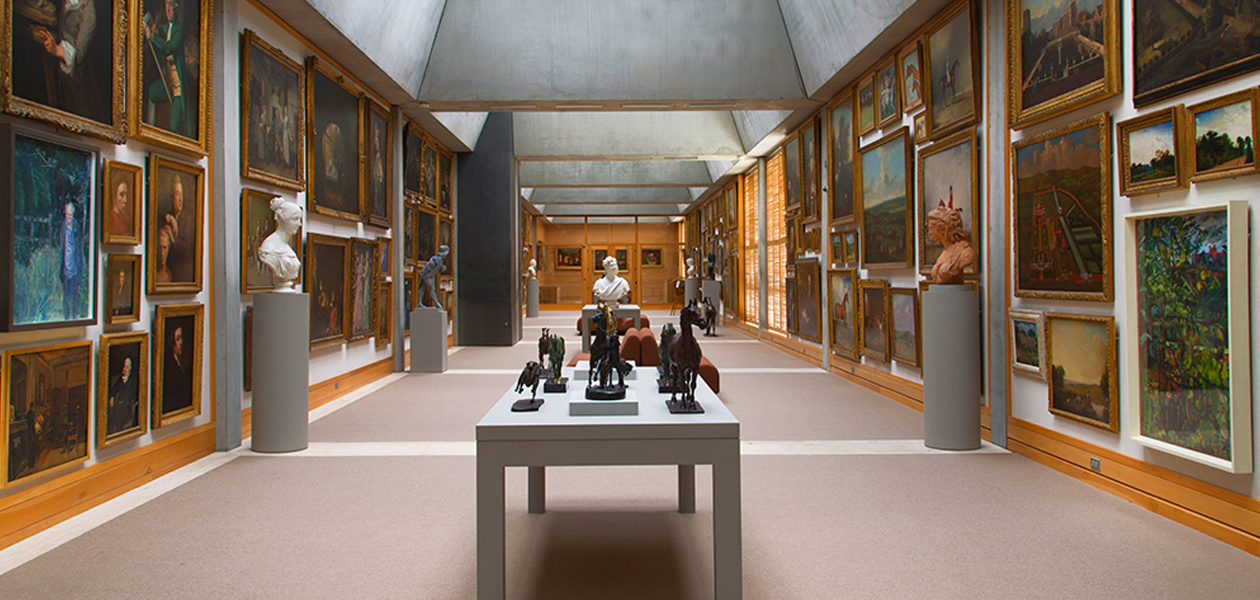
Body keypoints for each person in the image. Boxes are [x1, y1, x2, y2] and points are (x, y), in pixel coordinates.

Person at [34, 0, 101, 121]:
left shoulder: (88, 12)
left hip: (79, 83)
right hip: (63, 75)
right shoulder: (66, 2)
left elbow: (79, 54)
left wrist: (57, 50)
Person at [143, 0, 190, 137]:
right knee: (153, 92)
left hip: (177, 89)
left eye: (171, 5)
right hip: (167, 82)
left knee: (174, 126)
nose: (168, 10)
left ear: (176, 8)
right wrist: (155, 29)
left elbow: (169, 48)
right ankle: (148, 129)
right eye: (166, 5)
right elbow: (162, 29)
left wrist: (152, 37)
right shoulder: (170, 27)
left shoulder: (178, 31)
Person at [926, 190, 976, 285]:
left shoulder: (964, 251)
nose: (930, 232)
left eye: (931, 228)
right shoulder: (944, 253)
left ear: (942, 229)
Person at [257, 198, 302, 290]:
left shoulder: (287, 248)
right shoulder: (269, 247)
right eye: (295, 219)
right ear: (283, 219)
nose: (299, 224)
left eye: (299, 219)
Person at [162, 178, 191, 282]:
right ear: (172, 198)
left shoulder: (187, 218)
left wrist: (173, 239)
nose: (180, 200)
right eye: (177, 195)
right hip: (168, 272)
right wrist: (169, 218)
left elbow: (187, 249)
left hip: (182, 273)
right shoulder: (169, 216)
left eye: (181, 195)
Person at [60, 202, 83, 319]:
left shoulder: (76, 228)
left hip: (74, 270)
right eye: (67, 215)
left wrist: (80, 272)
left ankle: (74, 317)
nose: (69, 217)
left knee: (74, 296)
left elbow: (79, 252)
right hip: (65, 270)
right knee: (66, 297)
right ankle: (66, 319)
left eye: (71, 215)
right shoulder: (63, 228)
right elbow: (61, 249)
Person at [163, 323, 191, 412]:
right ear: (172, 342)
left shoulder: (183, 362)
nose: (181, 342)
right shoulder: (170, 368)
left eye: (181, 338)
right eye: (177, 339)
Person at [108, 356, 139, 435]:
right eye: (124, 367)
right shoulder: (120, 379)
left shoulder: (132, 380)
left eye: (126, 367)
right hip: (119, 404)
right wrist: (111, 397)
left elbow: (135, 394)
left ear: (130, 369)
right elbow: (113, 390)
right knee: (117, 421)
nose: (124, 369)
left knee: (124, 419)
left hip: (127, 405)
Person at [417, 245, 449, 310]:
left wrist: (442, 268)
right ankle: (436, 303)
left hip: (428, 276)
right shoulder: (438, 259)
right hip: (428, 276)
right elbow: (429, 265)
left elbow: (438, 267)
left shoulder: (438, 259)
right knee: (432, 289)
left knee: (422, 288)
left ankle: (419, 302)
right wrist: (424, 273)